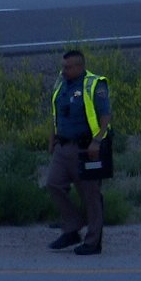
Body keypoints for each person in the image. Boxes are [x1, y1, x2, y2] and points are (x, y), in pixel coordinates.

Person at [46, 49, 111, 255]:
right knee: (53, 184)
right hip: (63, 146)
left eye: (68, 67)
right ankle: (72, 228)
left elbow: (105, 115)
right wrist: (52, 139)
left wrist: (97, 140)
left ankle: (93, 241)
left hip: (86, 148)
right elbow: (56, 113)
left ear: (80, 67)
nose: (63, 70)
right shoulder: (61, 83)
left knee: (90, 194)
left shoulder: (94, 84)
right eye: (63, 66)